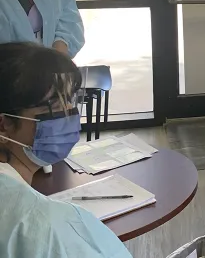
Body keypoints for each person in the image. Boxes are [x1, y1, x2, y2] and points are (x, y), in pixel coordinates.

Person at [0, 42, 133, 258]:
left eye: (70, 100)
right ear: (3, 125)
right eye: (53, 105)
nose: (69, 114)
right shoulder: (44, 226)